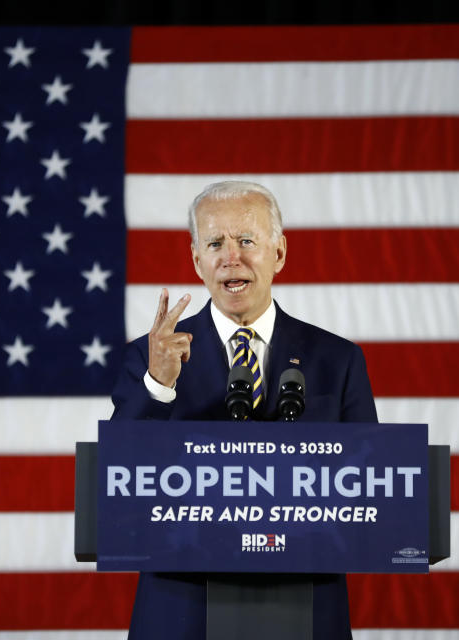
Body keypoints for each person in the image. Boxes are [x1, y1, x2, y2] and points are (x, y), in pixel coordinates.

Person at [111, 180, 378, 639]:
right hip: (182, 609)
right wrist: (158, 384)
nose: (230, 257)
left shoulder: (338, 360)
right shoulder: (150, 358)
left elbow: (372, 489)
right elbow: (118, 480)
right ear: (197, 260)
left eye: (247, 241)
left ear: (279, 253)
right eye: (215, 243)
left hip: (304, 604)